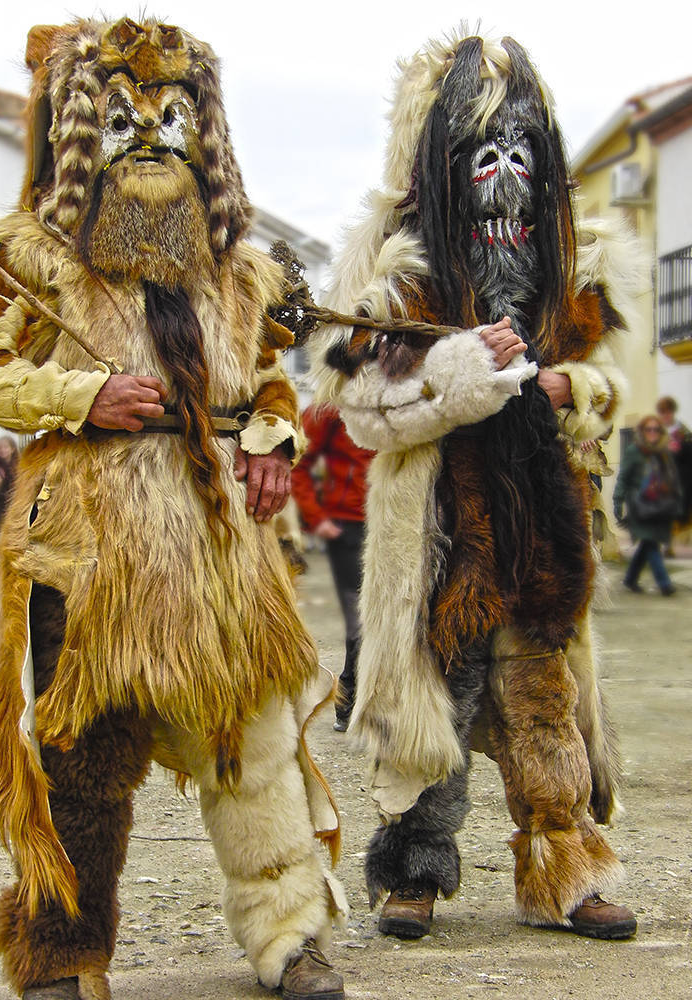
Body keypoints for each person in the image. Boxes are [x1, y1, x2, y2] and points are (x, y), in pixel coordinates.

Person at [0, 18, 344, 1000]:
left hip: (219, 556)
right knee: (81, 765)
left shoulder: (241, 269)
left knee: (252, 748)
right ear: (80, 134)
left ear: (206, 135)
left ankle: (290, 938)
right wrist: (79, 396)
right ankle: (63, 954)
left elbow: (274, 387)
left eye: (170, 118)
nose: (151, 138)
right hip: (91, 556)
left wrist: (268, 440)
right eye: (122, 119)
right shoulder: (30, 257)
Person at [309, 30, 639, 942]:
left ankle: (564, 862)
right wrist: (455, 371)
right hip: (438, 521)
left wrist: (579, 391)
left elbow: (605, 390)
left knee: (544, 690)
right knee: (433, 691)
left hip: (542, 510)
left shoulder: (571, 261)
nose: (501, 179)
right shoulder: (392, 265)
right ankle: (413, 872)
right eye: (478, 156)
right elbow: (362, 407)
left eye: (517, 156)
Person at [292, 404, 373, 731]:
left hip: (399, 520)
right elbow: (297, 458)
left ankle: (368, 700)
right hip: (349, 524)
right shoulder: (332, 403)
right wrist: (317, 517)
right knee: (361, 618)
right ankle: (350, 698)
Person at [613, 416, 682, 595]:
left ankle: (630, 578)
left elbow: (672, 479)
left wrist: (677, 501)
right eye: (648, 429)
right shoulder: (634, 451)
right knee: (650, 541)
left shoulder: (663, 453)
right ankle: (665, 583)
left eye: (656, 430)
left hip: (659, 505)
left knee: (647, 542)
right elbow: (623, 478)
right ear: (642, 432)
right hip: (639, 505)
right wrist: (617, 501)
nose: (652, 433)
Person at [656, 396, 692, 527]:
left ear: (672, 412)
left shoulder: (683, 433)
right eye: (662, 412)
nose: (665, 415)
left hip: (681, 484)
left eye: (668, 412)